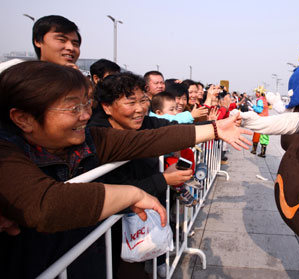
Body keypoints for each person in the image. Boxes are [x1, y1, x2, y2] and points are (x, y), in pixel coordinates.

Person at [0, 61, 250, 279]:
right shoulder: (6, 154)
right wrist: (131, 194)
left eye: (87, 104)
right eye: (73, 107)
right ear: (23, 118)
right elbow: (46, 206)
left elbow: (149, 139)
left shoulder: (90, 138)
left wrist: (215, 129)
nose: (86, 115)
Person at [90, 72, 192, 278]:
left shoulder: (145, 124)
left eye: (143, 100)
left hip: (140, 228)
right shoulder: (95, 137)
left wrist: (216, 128)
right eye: (131, 102)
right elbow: (114, 193)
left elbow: (175, 131)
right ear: (107, 106)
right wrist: (163, 179)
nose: (140, 108)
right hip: (109, 235)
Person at [251, 88, 270, 157]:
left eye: (257, 92)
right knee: (264, 135)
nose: (256, 93)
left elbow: (259, 110)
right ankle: (263, 152)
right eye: (256, 92)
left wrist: (253, 106)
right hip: (266, 118)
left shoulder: (260, 100)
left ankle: (254, 150)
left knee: (256, 134)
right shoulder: (265, 99)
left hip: (260, 119)